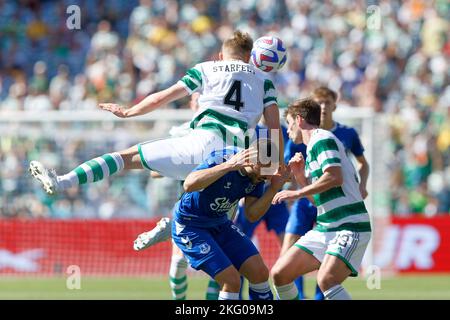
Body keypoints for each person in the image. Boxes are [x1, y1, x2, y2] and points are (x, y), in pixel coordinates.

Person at [29, 30, 282, 197]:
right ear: (250, 57)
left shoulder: (208, 68)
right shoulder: (264, 81)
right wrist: (271, 169)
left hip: (200, 145)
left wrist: (130, 111)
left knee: (125, 158)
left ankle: (64, 181)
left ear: (220, 55)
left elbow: (164, 95)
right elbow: (273, 127)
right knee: (219, 228)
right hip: (235, 160)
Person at [271, 98, 371, 300]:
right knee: (280, 274)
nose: (288, 131)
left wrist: (295, 193)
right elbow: (318, 201)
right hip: (326, 228)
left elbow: (334, 176)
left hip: (349, 226)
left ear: (299, 120)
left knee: (326, 280)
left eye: (289, 124)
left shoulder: (321, 138)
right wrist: (301, 178)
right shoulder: (312, 148)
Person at [172, 144, 290, 300]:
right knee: (232, 281)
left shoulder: (259, 175)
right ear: (253, 161)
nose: (266, 178)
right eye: (264, 173)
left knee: (260, 273)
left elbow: (251, 214)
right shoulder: (223, 158)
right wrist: (228, 166)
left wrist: (274, 188)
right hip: (191, 226)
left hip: (220, 224)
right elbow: (189, 184)